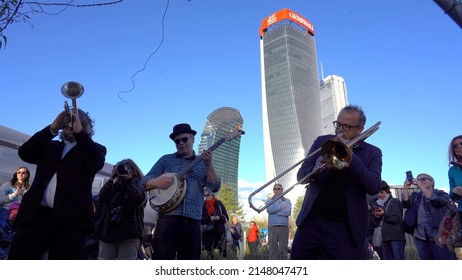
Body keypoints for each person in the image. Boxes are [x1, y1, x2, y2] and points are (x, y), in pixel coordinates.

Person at [8, 108, 107, 260]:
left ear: (84, 126)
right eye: (67, 122)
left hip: (70, 222)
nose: (70, 125)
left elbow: (95, 163)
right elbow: (25, 152)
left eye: (74, 121)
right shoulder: (51, 146)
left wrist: (79, 132)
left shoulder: (95, 149)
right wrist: (52, 128)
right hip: (36, 216)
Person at [291, 105, 382, 260]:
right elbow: (301, 176)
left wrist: (352, 157)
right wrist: (315, 169)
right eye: (338, 124)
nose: (340, 130)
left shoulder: (373, 152)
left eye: (346, 126)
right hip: (311, 222)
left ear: (359, 129)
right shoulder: (322, 142)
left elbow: (373, 186)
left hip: (345, 227)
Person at [139, 123, 220, 260]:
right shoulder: (166, 160)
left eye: (185, 139)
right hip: (167, 220)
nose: (181, 143)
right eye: (177, 141)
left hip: (193, 221)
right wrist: (156, 182)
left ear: (193, 139)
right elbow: (142, 182)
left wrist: (209, 164)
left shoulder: (204, 163)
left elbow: (215, 186)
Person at [96, 159, 146, 260]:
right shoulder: (114, 186)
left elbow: (138, 200)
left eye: (127, 168)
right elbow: (101, 198)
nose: (123, 170)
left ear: (134, 171)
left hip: (129, 235)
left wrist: (128, 181)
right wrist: (111, 179)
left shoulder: (140, 184)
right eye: (120, 168)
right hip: (109, 233)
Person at [402, 173, 456, 260]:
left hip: (439, 235)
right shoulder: (416, 196)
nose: (420, 181)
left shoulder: (441, 193)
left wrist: (421, 187)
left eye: (423, 179)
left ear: (432, 182)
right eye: (418, 179)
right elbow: (406, 204)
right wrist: (405, 188)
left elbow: (438, 201)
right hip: (420, 236)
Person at [370, 180, 405, 260]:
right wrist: (374, 215)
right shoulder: (375, 203)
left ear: (387, 190)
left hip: (395, 237)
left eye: (381, 192)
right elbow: (373, 222)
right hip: (382, 239)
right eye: (377, 193)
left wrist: (384, 214)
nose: (379, 195)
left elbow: (397, 219)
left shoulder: (395, 201)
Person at [0, 167, 31, 259]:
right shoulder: (8, 185)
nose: (21, 174)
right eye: (19, 172)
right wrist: (14, 195)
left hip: (19, 212)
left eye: (23, 172)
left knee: (14, 236)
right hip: (6, 210)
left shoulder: (29, 189)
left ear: (27, 175)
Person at [265, 183, 291, 259]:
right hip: (272, 226)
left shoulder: (287, 200)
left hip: (284, 226)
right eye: (275, 188)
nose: (277, 190)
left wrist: (276, 211)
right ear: (273, 190)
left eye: (279, 188)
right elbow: (269, 210)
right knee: (272, 248)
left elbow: (288, 212)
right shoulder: (269, 200)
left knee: (283, 248)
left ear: (282, 190)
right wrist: (280, 207)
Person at [201, 188, 229, 259]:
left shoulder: (219, 204)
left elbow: (226, 217)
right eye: (205, 195)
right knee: (210, 252)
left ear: (212, 195)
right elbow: (200, 219)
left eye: (207, 195)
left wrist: (219, 218)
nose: (206, 197)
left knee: (222, 251)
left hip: (219, 231)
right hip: (208, 232)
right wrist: (209, 218)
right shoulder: (203, 205)